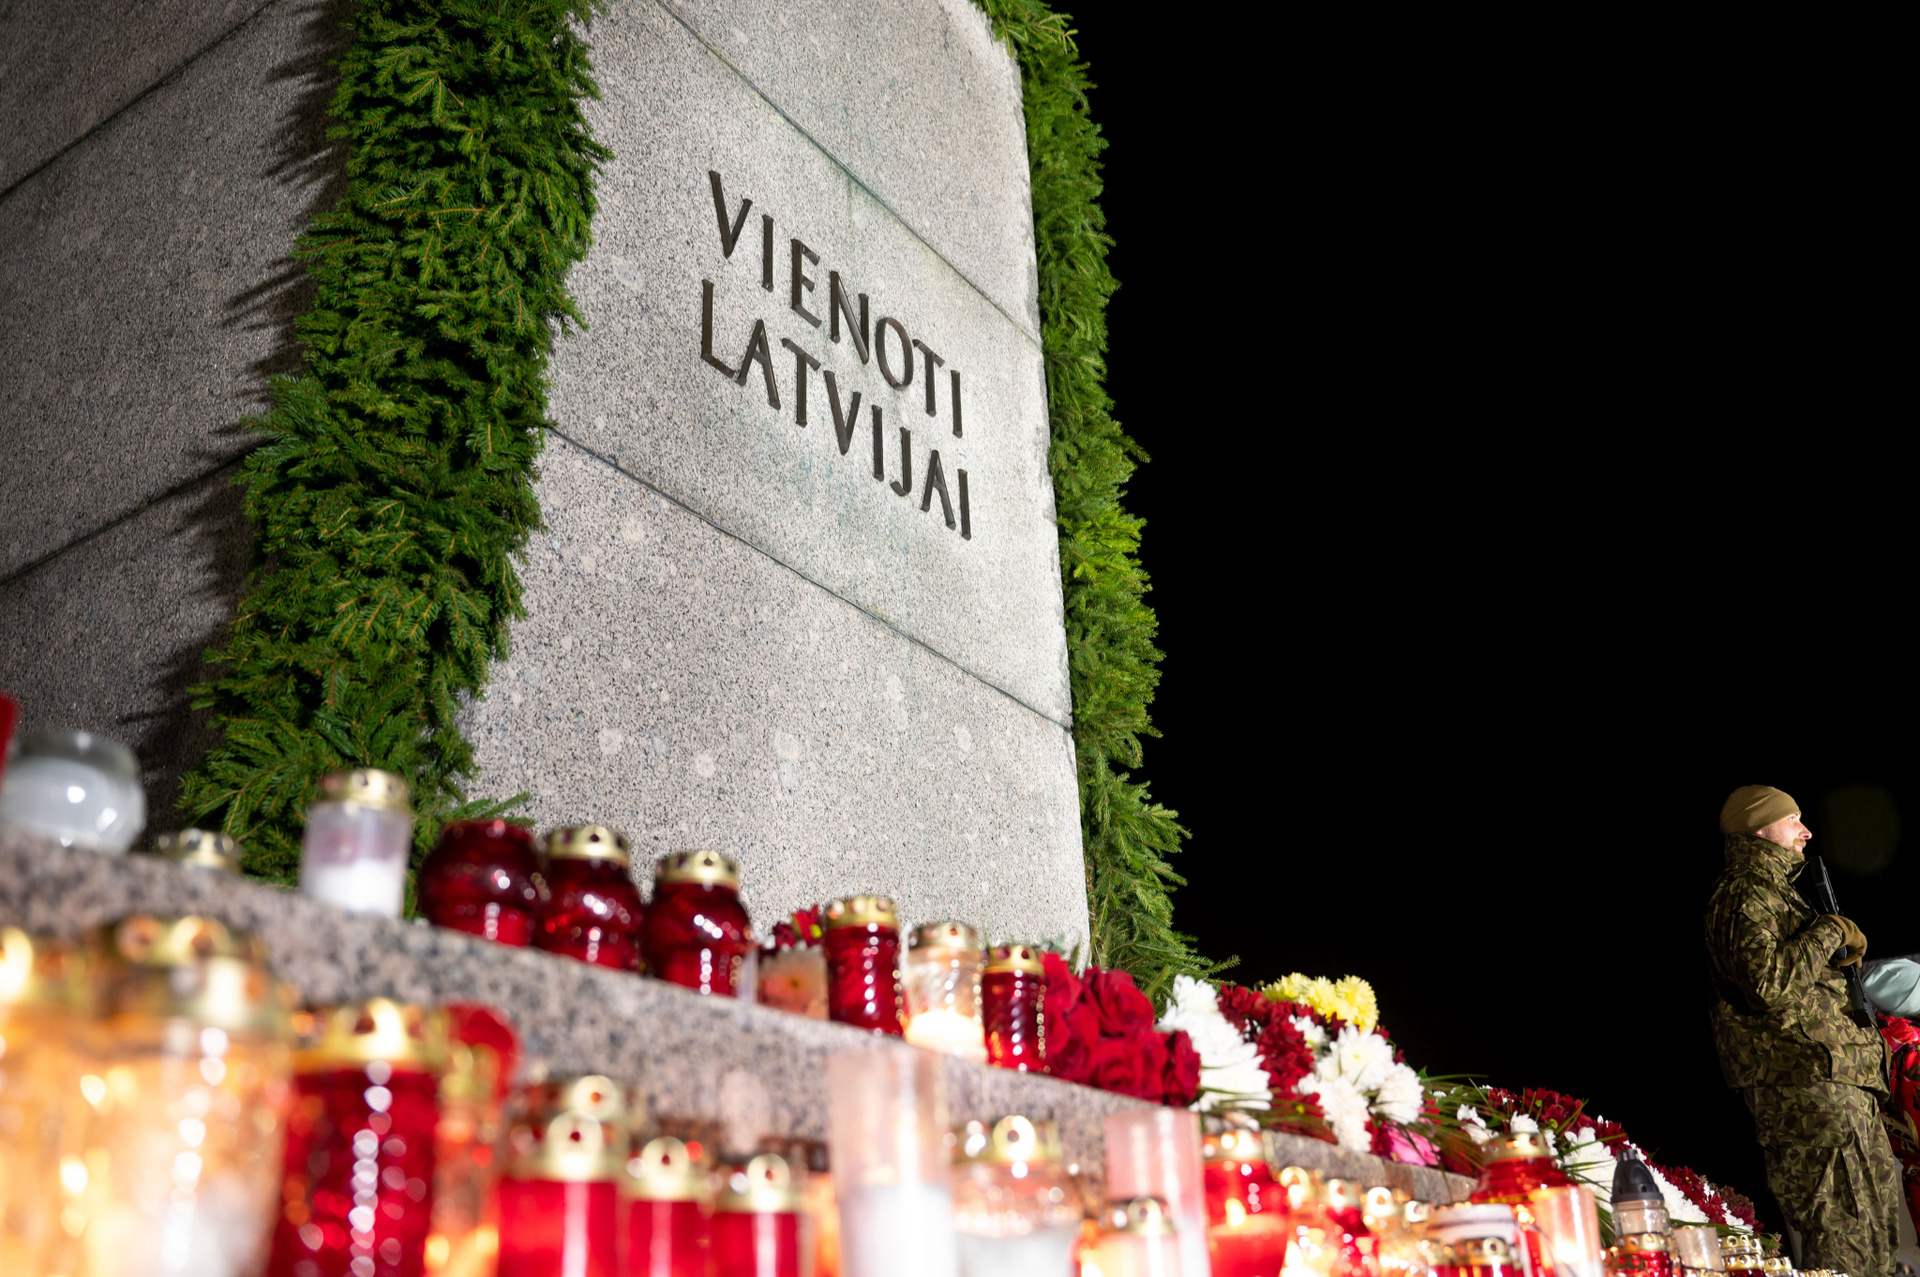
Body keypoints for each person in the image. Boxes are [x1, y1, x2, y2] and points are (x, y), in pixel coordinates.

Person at [1706, 784, 1901, 1277]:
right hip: (1804, 1087)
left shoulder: (1779, 893)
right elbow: (1767, 984)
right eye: (1793, 819)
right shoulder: (1743, 892)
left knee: (1875, 1233)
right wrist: (1829, 930)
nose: (1806, 831)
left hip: (1839, 1080)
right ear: (1758, 829)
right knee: (1841, 1235)